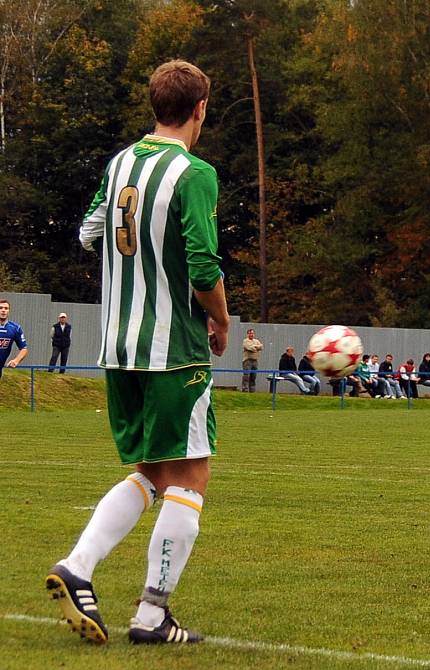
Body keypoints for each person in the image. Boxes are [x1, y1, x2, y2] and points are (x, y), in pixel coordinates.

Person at [46, 60, 230, 645]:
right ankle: (152, 613)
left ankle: (77, 567)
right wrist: (221, 319)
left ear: (155, 105)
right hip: (173, 347)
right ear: (200, 108)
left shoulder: (119, 162)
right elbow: (203, 266)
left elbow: (90, 232)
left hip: (117, 346)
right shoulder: (195, 172)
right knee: (192, 474)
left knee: (151, 470)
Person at [0, 298, 28, 378]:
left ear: (9, 311)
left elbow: (24, 348)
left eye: (6, 308)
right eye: (0, 308)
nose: (3, 310)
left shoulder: (15, 328)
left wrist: (16, 360)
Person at [241, 328, 263, 392]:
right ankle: (245, 388)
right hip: (247, 360)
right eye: (250, 333)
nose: (251, 334)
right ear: (247, 334)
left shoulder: (256, 340)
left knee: (253, 375)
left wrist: (255, 347)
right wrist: (256, 348)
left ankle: (252, 389)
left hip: (255, 361)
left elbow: (261, 347)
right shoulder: (245, 341)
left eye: (252, 333)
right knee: (246, 375)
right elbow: (249, 348)